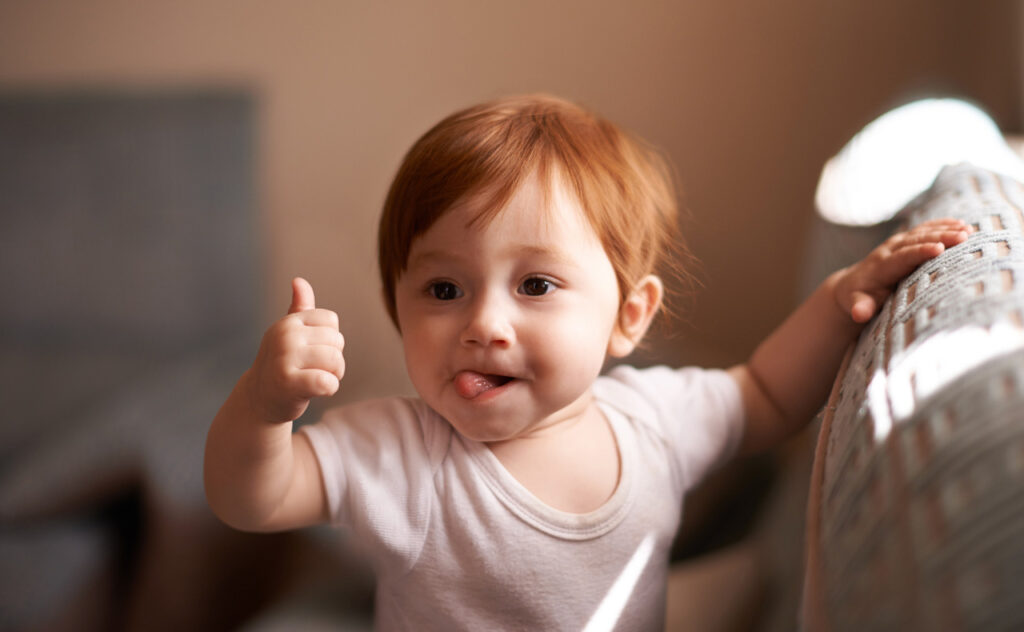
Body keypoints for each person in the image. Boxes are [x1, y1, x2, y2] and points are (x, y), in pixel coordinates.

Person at [204, 94, 971, 630]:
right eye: (444, 288)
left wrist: (842, 302)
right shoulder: (402, 451)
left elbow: (768, 392)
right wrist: (264, 404)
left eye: (535, 284)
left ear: (627, 317)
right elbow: (253, 499)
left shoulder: (654, 421)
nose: (484, 323)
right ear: (395, 305)